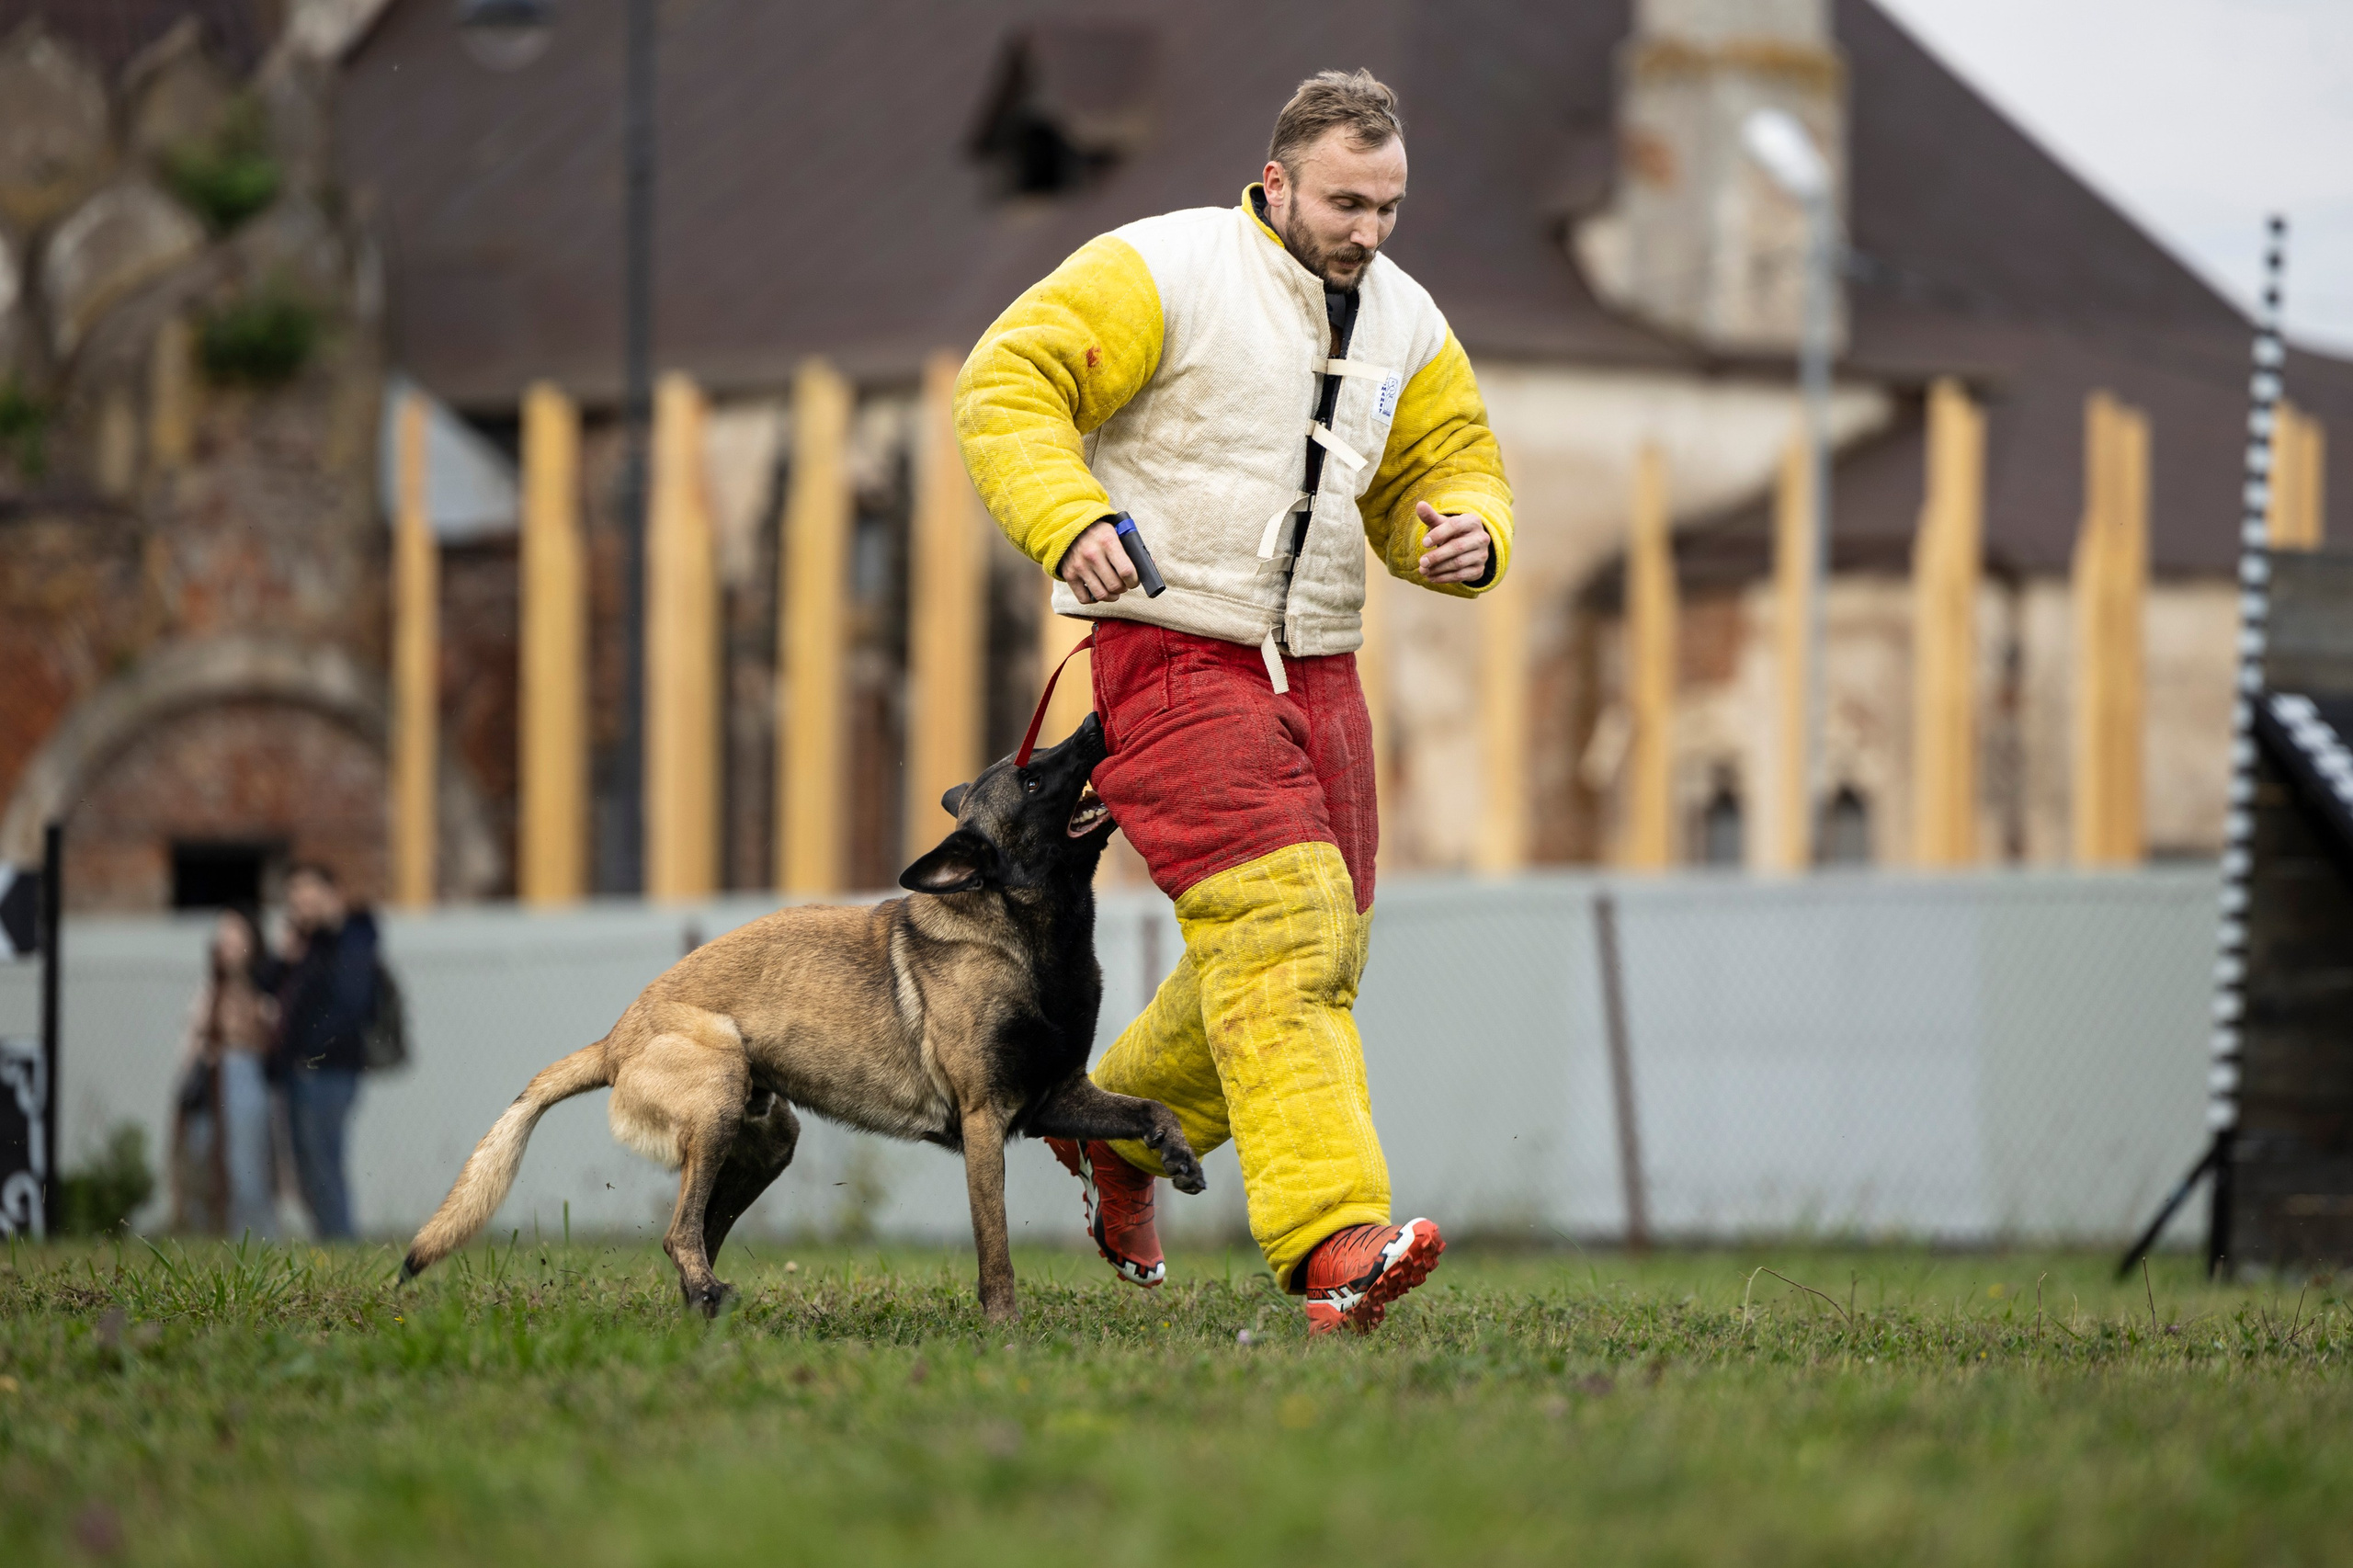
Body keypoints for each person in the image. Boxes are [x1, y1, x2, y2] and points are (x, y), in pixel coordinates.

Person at [956, 70, 1513, 1333]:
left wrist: (1465, 534)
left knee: (1320, 943)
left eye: (1388, 205)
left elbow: (1445, 463)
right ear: (1276, 183)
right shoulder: (1163, 268)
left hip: (1320, 664)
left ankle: (1116, 1139)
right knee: (1285, 923)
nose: (1367, 230)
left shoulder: (1408, 320)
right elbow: (1008, 383)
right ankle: (1334, 1245)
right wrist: (1071, 517)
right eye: (1343, 201)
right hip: (1171, 646)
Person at [265, 863, 377, 1239]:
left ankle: (340, 1243)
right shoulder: (304, 946)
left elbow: (350, 1004)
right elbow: (267, 987)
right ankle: (328, 1241)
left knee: (322, 1157)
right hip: (299, 1070)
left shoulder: (353, 938)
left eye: (311, 899)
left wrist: (311, 1049)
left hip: (330, 1069)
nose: (304, 909)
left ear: (334, 895)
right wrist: (285, 957)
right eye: (297, 902)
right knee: (305, 1163)